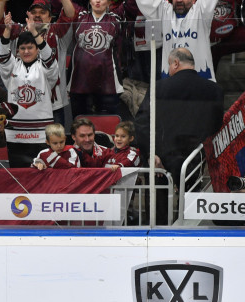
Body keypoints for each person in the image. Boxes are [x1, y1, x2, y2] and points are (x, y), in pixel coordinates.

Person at [134, 47, 223, 182]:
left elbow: (142, 122)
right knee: (191, 200)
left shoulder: (158, 87)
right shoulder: (214, 90)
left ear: (176, 63)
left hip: (161, 159)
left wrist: (151, 154)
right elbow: (216, 125)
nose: (169, 71)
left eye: (169, 65)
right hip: (195, 157)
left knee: (159, 201)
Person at [0, 0, 75, 125]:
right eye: (34, 12)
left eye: (42, 12)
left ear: (50, 17)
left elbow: (70, 15)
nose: (37, 15)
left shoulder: (57, 32)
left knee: (54, 142)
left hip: (54, 103)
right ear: (28, 15)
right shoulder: (19, 32)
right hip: (23, 101)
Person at [0, 15, 58, 168]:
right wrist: (7, 30)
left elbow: (49, 57)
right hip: (15, 134)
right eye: (22, 48)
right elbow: (3, 56)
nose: (26, 51)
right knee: (19, 176)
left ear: (37, 49)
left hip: (41, 135)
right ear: (17, 50)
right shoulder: (13, 66)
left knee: (42, 177)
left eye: (30, 47)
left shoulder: (45, 68)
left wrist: (34, 33)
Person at [68, 0, 124, 117]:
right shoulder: (80, 17)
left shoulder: (116, 19)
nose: (98, 1)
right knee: (81, 127)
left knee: (107, 127)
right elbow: (67, 9)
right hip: (80, 84)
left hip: (108, 85)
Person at [135, 0, 217, 80]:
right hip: (171, 84)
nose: (179, 0)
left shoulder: (201, 11)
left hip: (200, 83)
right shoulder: (165, 12)